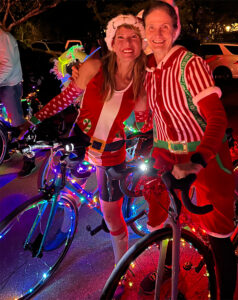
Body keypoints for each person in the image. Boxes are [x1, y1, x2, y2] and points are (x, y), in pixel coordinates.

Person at [29, 14, 147, 296]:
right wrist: (34, 121)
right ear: (111, 41)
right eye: (121, 37)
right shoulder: (95, 66)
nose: (127, 44)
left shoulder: (143, 78)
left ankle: (121, 270)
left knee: (111, 214)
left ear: (141, 43)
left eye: (133, 38)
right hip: (83, 140)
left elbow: (146, 118)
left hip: (113, 153)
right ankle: (57, 230)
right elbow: (66, 98)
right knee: (66, 184)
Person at [137, 2, 237, 299]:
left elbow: (217, 118)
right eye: (151, 27)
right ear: (143, 31)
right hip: (167, 153)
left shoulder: (189, 64)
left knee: (218, 235)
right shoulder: (149, 70)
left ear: (176, 29)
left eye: (164, 27)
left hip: (204, 153)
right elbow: (155, 120)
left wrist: (196, 161)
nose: (157, 34)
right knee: (168, 215)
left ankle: (226, 295)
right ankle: (169, 265)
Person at [0, 27, 35, 174]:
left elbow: (7, 65)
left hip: (10, 85)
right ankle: (4, 145)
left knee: (18, 123)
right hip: (2, 82)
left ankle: (29, 157)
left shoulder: (3, 37)